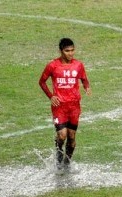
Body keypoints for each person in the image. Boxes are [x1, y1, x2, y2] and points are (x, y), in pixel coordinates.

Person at [38, 38, 91, 171]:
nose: (71, 53)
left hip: (74, 107)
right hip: (59, 107)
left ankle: (66, 163)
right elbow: (42, 82)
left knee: (72, 136)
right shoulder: (52, 65)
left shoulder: (78, 65)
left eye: (72, 50)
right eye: (67, 51)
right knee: (62, 135)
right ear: (61, 51)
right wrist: (51, 96)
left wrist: (86, 87)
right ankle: (58, 150)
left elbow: (84, 79)